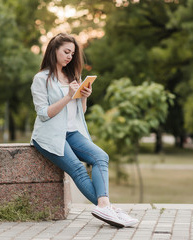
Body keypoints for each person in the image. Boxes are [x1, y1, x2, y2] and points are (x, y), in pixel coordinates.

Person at [30, 33, 138, 228]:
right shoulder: (41, 79)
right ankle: (108, 209)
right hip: (49, 136)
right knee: (78, 170)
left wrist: (83, 96)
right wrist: (69, 96)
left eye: (72, 53)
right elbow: (43, 113)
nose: (70, 56)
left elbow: (80, 112)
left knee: (101, 157)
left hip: (71, 133)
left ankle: (105, 206)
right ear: (54, 50)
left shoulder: (73, 76)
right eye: (66, 52)